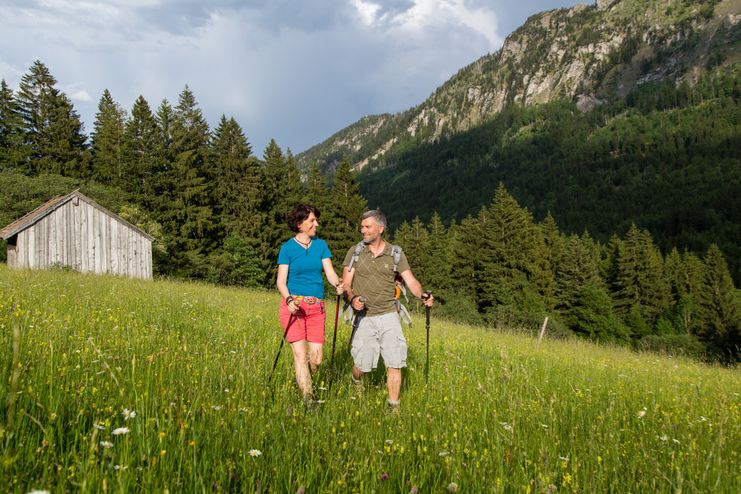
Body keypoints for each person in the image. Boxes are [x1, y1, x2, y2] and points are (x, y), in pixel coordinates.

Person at [342, 210, 433, 412]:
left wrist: (423, 296)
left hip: (390, 314)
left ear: (380, 229)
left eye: (367, 227)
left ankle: (394, 407)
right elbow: (346, 284)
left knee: (395, 362)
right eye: (362, 227)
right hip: (364, 316)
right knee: (361, 365)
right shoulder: (355, 252)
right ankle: (356, 381)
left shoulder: (395, 253)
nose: (362, 230)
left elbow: (410, 281)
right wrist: (352, 298)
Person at [276, 204, 343, 403]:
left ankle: (302, 381)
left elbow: (329, 273)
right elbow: (281, 280)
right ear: (299, 224)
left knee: (316, 359)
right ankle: (308, 400)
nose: (316, 224)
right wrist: (288, 299)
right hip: (294, 306)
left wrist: (338, 283)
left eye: (316, 220)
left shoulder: (321, 245)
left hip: (316, 308)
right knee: (299, 354)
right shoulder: (287, 248)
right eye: (312, 221)